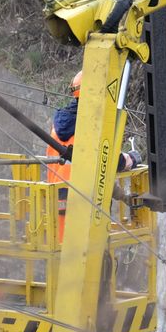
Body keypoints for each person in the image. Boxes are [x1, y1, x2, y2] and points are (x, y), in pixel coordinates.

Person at [47, 69, 143, 239]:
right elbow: (111, 162)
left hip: (57, 201)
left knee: (62, 258)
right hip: (84, 203)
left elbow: (88, 167)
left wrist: (120, 195)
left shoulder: (57, 125)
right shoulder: (90, 126)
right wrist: (133, 158)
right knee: (87, 259)